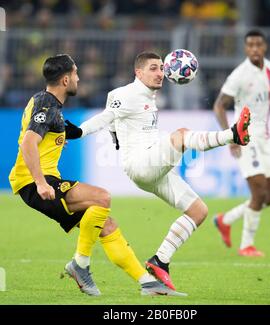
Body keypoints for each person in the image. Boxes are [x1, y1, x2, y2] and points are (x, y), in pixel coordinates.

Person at [66, 51, 251, 290]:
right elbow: (106, 117)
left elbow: (115, 125)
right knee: (182, 135)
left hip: (154, 167)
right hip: (141, 164)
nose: (160, 73)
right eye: (154, 68)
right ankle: (232, 134)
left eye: (162, 68)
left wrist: (116, 136)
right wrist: (79, 132)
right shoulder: (124, 94)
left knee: (199, 211)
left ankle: (160, 261)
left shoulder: (150, 97)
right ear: (138, 72)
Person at [8, 54, 178, 297]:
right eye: (76, 73)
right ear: (66, 80)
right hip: (34, 183)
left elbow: (37, 135)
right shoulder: (47, 104)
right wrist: (40, 182)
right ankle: (80, 264)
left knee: (105, 224)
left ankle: (147, 283)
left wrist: (56, 141)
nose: (79, 77)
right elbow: (28, 143)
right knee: (102, 198)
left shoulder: (46, 103)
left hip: (42, 180)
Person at [213, 30, 270, 257]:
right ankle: (246, 245)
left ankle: (225, 219)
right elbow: (219, 105)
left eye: (258, 45)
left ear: (264, 47)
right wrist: (231, 135)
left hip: (264, 138)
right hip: (244, 137)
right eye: (250, 45)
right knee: (259, 190)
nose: (254, 49)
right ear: (246, 49)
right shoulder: (239, 75)